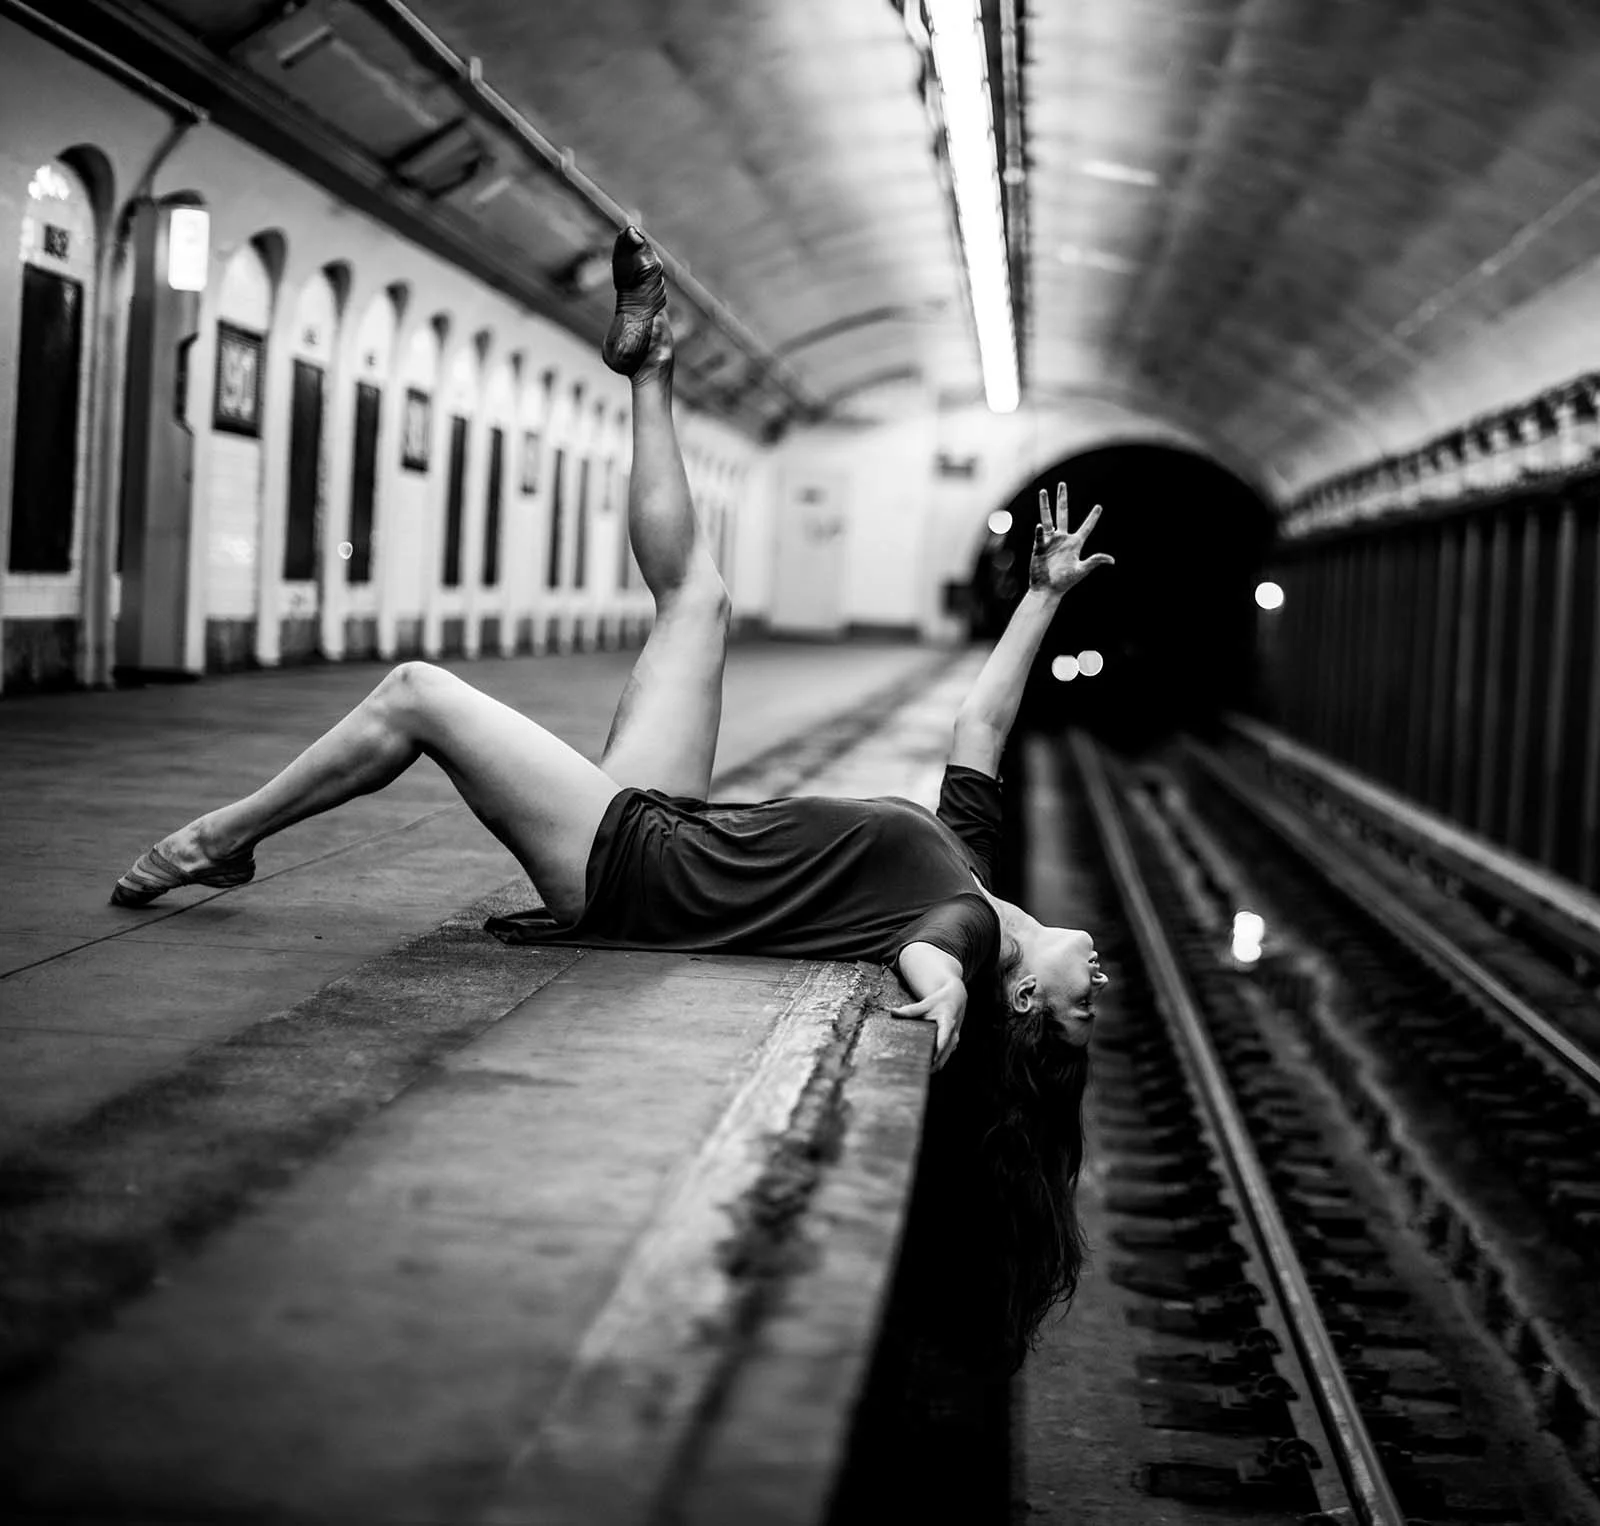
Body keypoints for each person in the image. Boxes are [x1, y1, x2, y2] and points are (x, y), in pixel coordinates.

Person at [112, 227, 1112, 1355]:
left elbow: (935, 957)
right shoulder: (974, 865)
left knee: (418, 694)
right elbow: (980, 726)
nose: (1099, 978)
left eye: (1084, 1003)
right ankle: (651, 365)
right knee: (699, 598)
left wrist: (943, 999)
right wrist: (1042, 594)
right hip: (677, 824)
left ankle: (220, 839)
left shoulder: (970, 928)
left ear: (1026, 1000)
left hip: (637, 873)